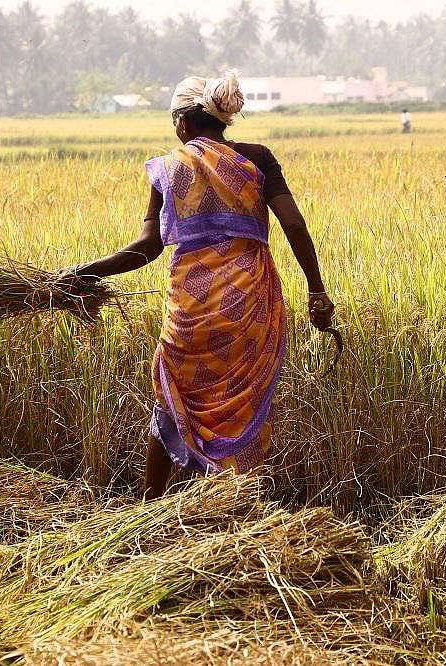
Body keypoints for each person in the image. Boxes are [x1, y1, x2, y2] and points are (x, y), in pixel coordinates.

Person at [59, 70, 334, 499]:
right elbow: (294, 224)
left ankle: (149, 503)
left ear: (183, 122)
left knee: (172, 398)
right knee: (243, 407)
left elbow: (147, 247)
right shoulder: (257, 158)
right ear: (221, 119)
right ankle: (238, 503)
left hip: (191, 308)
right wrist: (317, 292)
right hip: (250, 304)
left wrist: (85, 272)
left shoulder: (168, 169)